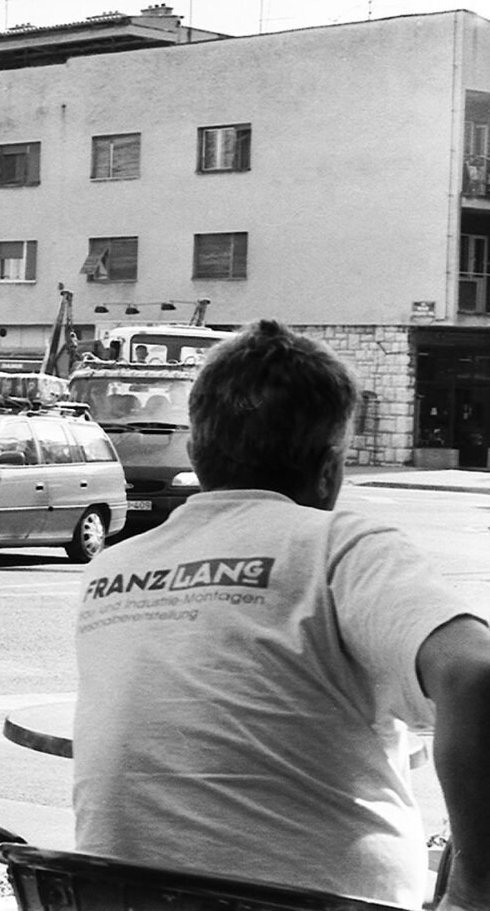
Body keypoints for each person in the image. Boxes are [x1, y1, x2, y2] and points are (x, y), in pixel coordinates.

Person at [72, 320, 490, 909]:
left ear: (195, 452)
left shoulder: (110, 570)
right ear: (330, 468)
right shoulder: (337, 545)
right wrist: (475, 891)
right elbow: (476, 675)